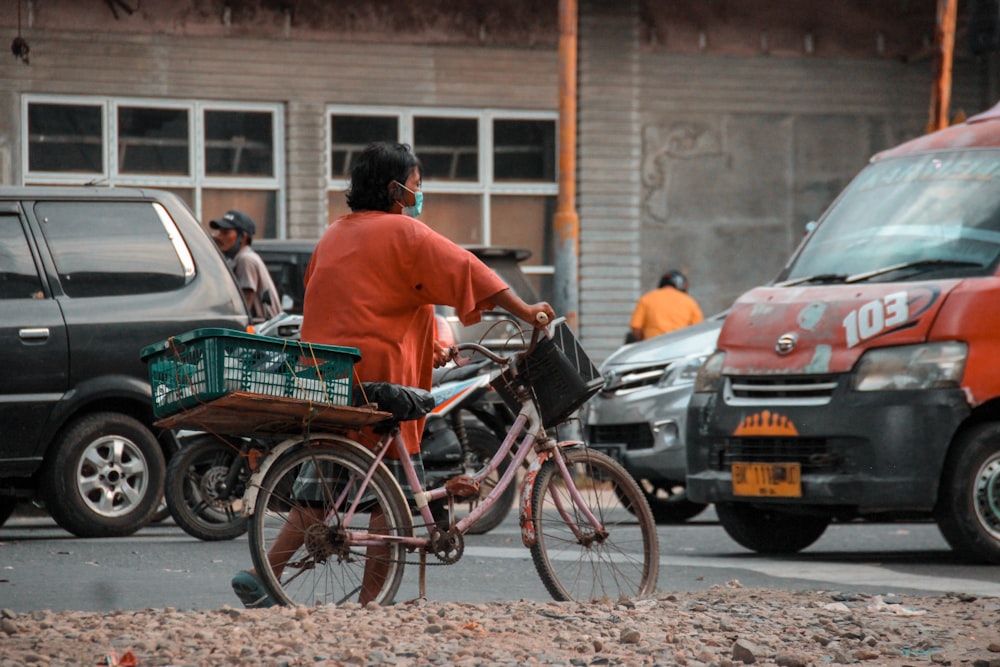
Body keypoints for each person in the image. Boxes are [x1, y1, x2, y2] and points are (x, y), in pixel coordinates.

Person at [231, 141, 554, 608]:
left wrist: (435, 346)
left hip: (333, 382)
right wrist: (526, 310)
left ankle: (264, 576)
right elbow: (467, 268)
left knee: (317, 498)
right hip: (385, 387)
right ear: (395, 190)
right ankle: (372, 603)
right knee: (392, 504)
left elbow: (376, 303)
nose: (418, 197)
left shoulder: (334, 235)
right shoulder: (404, 233)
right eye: (416, 187)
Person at [210, 209, 281, 322]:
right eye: (219, 232)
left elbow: (246, 300)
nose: (218, 237)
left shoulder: (246, 259)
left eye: (225, 233)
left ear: (243, 237)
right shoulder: (236, 259)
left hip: (262, 329)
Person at [628, 269, 703, 342]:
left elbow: (636, 327)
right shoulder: (690, 302)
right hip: (680, 347)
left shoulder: (646, 299)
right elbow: (698, 330)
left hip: (652, 347)